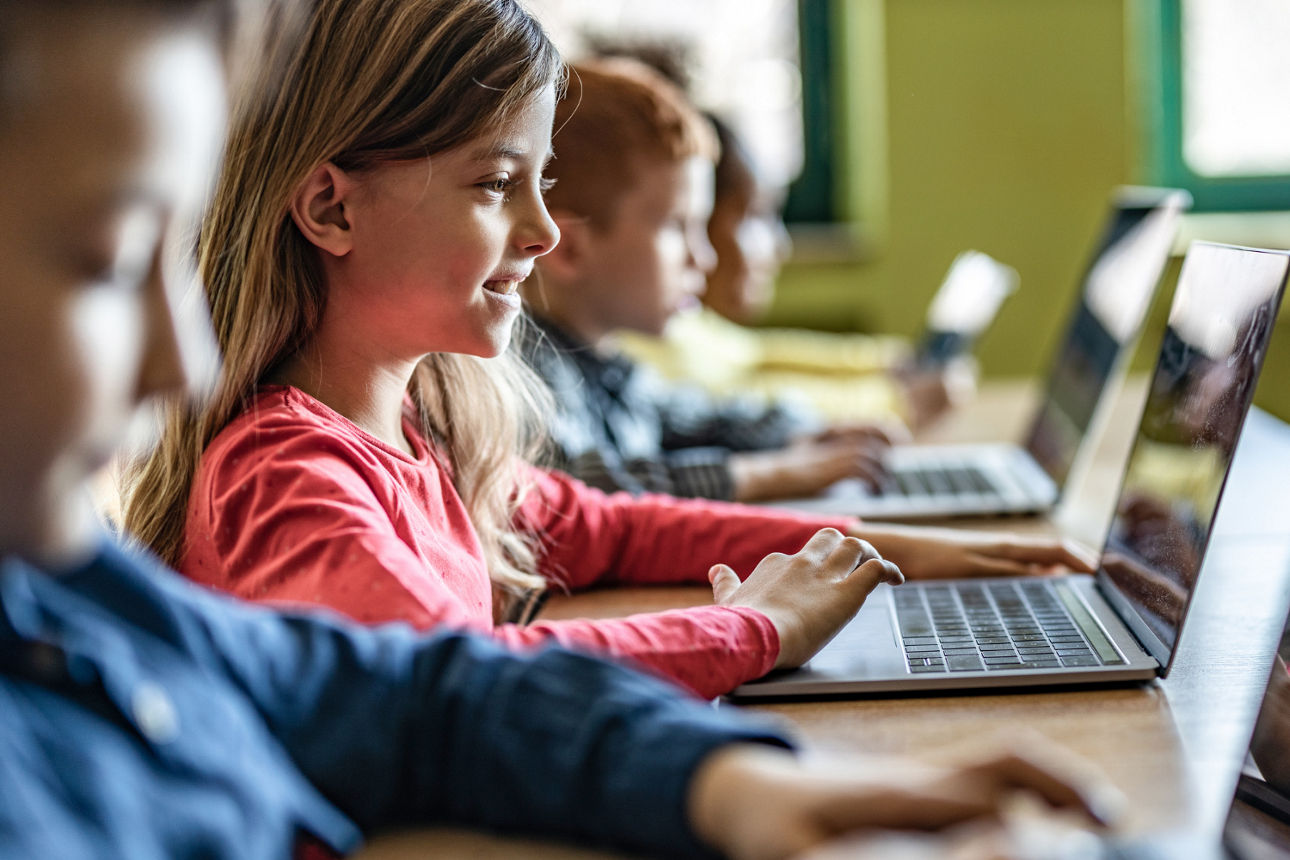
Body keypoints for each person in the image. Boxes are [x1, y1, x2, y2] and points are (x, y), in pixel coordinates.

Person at [0, 0, 1120, 857]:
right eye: (498, 184)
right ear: (330, 207)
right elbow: (456, 666)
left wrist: (870, 549)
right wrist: (751, 629)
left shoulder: (402, 437)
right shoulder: (286, 473)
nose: (542, 232)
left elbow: (567, 553)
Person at [520, 58, 900, 503]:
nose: (704, 257)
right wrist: (770, 474)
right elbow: (584, 491)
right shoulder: (523, 379)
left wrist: (804, 434)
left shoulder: (606, 365)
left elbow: (695, 418)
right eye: (677, 228)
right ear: (568, 249)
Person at [615, 108, 975, 431]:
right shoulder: (636, 338)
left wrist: (893, 364)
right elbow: (737, 406)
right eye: (755, 217)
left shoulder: (687, 325)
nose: (780, 246)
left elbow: (755, 357)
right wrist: (896, 401)